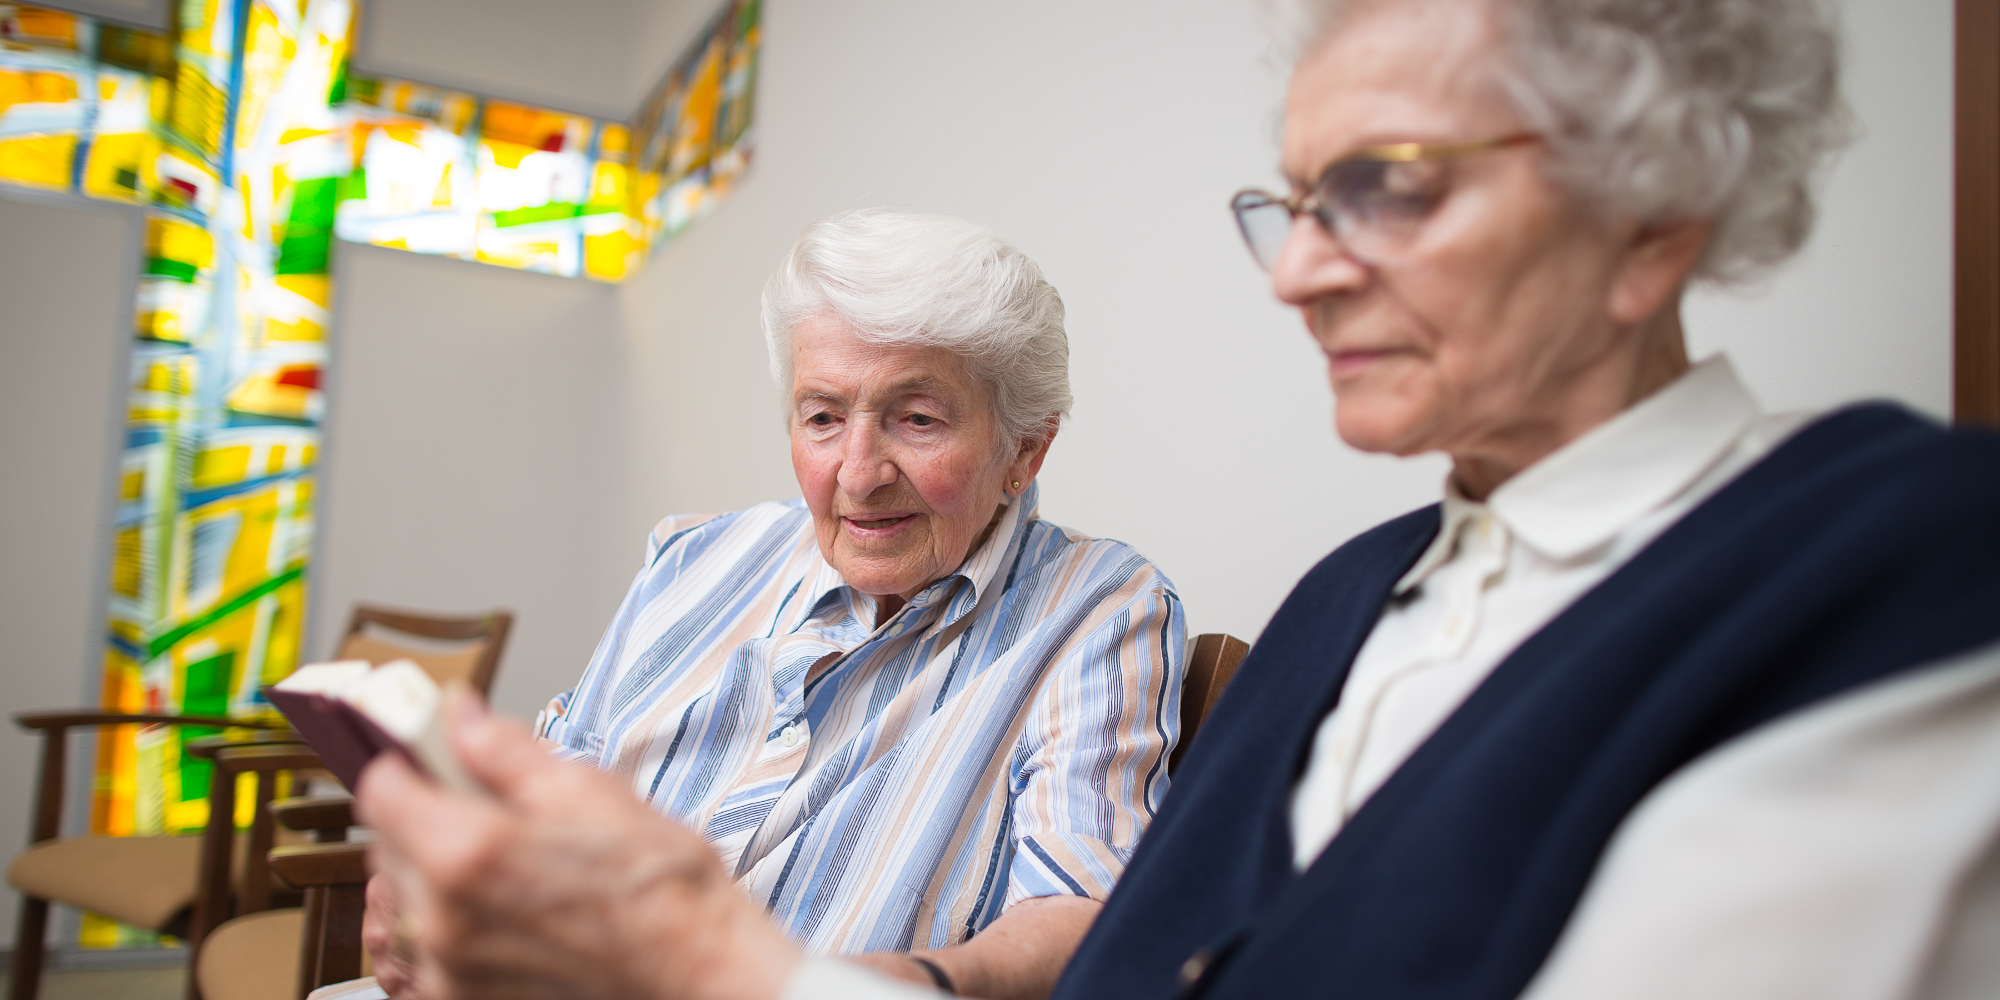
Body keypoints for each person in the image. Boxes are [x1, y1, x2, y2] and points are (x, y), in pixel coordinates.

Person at [354, 0, 2000, 998]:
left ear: (1657, 220)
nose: (1294, 274)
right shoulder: (1359, 592)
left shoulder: (1907, 558)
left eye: (1388, 191)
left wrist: (713, 971)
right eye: (1289, 205)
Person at [355, 209, 1186, 1000]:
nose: (857, 473)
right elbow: (553, 778)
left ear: (1024, 450)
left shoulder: (1096, 608)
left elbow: (1084, 901)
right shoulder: (694, 558)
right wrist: (426, 889)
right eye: (822, 417)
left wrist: (920, 985)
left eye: (918, 419)